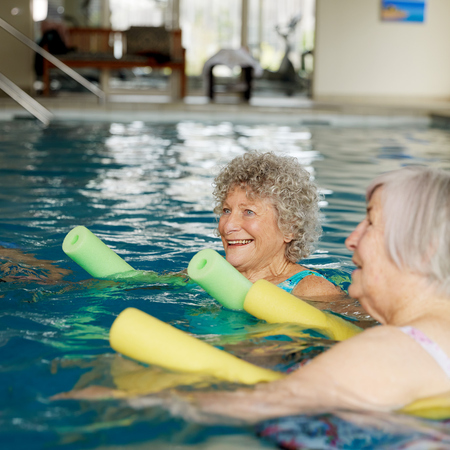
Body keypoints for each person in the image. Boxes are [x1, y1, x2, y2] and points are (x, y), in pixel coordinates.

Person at [174, 165, 450, 422]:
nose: (350, 240)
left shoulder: (382, 350)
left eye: (371, 223)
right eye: (225, 211)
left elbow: (248, 406)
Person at [212, 151, 342, 299]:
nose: (228, 226)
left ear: (289, 227)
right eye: (226, 210)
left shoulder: (312, 291)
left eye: (248, 212)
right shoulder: (212, 270)